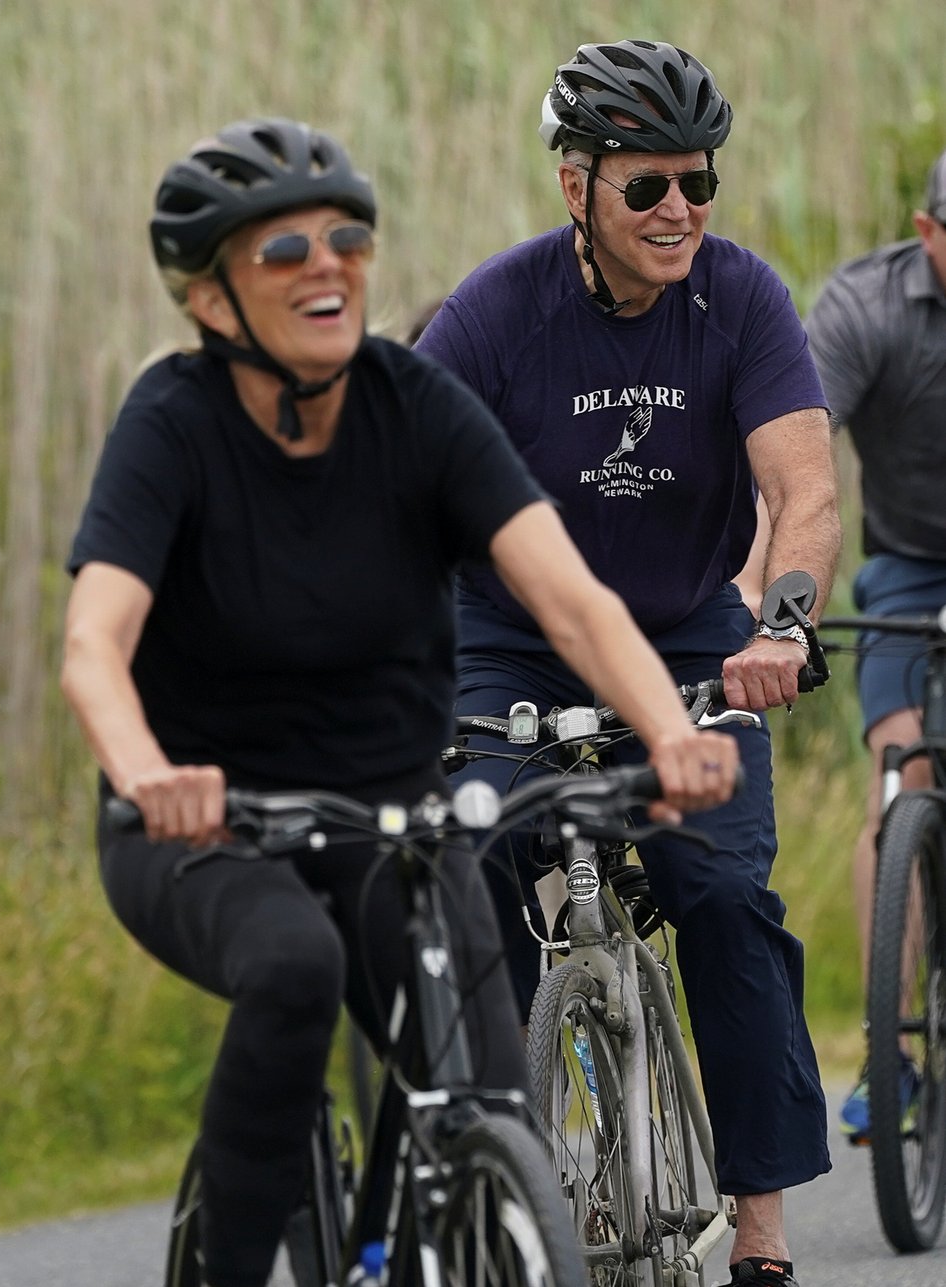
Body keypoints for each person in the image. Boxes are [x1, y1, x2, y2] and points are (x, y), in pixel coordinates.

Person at [59, 116, 739, 1287]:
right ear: (212, 301)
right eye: (283, 252)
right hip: (210, 824)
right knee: (293, 967)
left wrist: (673, 733)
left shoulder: (415, 407)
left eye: (348, 239)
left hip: (392, 815)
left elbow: (571, 602)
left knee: (483, 1105)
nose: (327, 264)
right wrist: (146, 773)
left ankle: (464, 1217)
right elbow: (93, 646)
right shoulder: (171, 427)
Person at [415, 40, 841, 1287]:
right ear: (575, 186)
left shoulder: (744, 301)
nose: (679, 212)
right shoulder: (493, 315)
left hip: (693, 635)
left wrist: (786, 621)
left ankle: (759, 1241)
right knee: (468, 862)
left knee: (721, 903)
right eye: (647, 186)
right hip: (507, 639)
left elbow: (802, 489)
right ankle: (493, 1177)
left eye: (699, 184)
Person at [804, 146, 946, 1146]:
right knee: (900, 773)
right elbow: (797, 440)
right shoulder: (868, 306)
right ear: (927, 229)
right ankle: (890, 1055)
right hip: (906, 571)